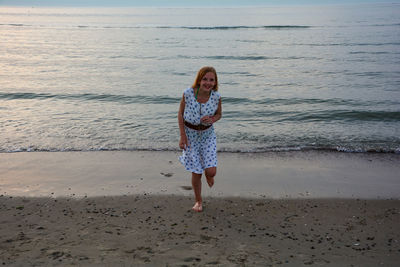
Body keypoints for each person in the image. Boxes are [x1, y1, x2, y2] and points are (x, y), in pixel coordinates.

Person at [178, 66, 222, 212]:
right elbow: (180, 114)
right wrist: (183, 136)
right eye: (205, 79)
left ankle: (209, 176)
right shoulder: (188, 93)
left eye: (211, 80)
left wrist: (212, 119)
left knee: (211, 171)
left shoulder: (216, 96)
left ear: (215, 82)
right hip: (190, 137)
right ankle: (198, 201)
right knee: (196, 172)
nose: (208, 83)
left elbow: (219, 114)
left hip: (207, 136)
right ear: (199, 80)